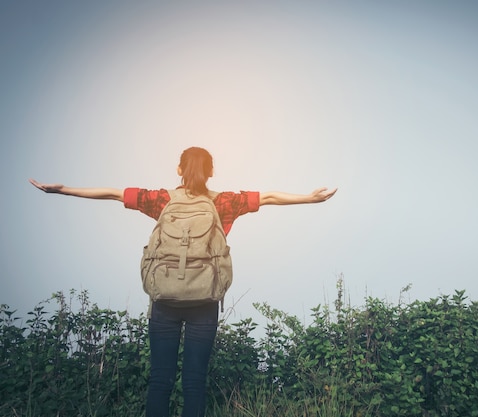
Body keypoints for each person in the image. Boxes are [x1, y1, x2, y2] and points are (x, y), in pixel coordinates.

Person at [29, 146, 337, 417]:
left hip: (165, 298)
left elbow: (113, 192)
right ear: (211, 172)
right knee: (194, 380)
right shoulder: (226, 202)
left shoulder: (162, 200)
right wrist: (310, 199)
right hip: (204, 300)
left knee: (160, 379)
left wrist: (63, 189)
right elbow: (268, 197)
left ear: (179, 170)